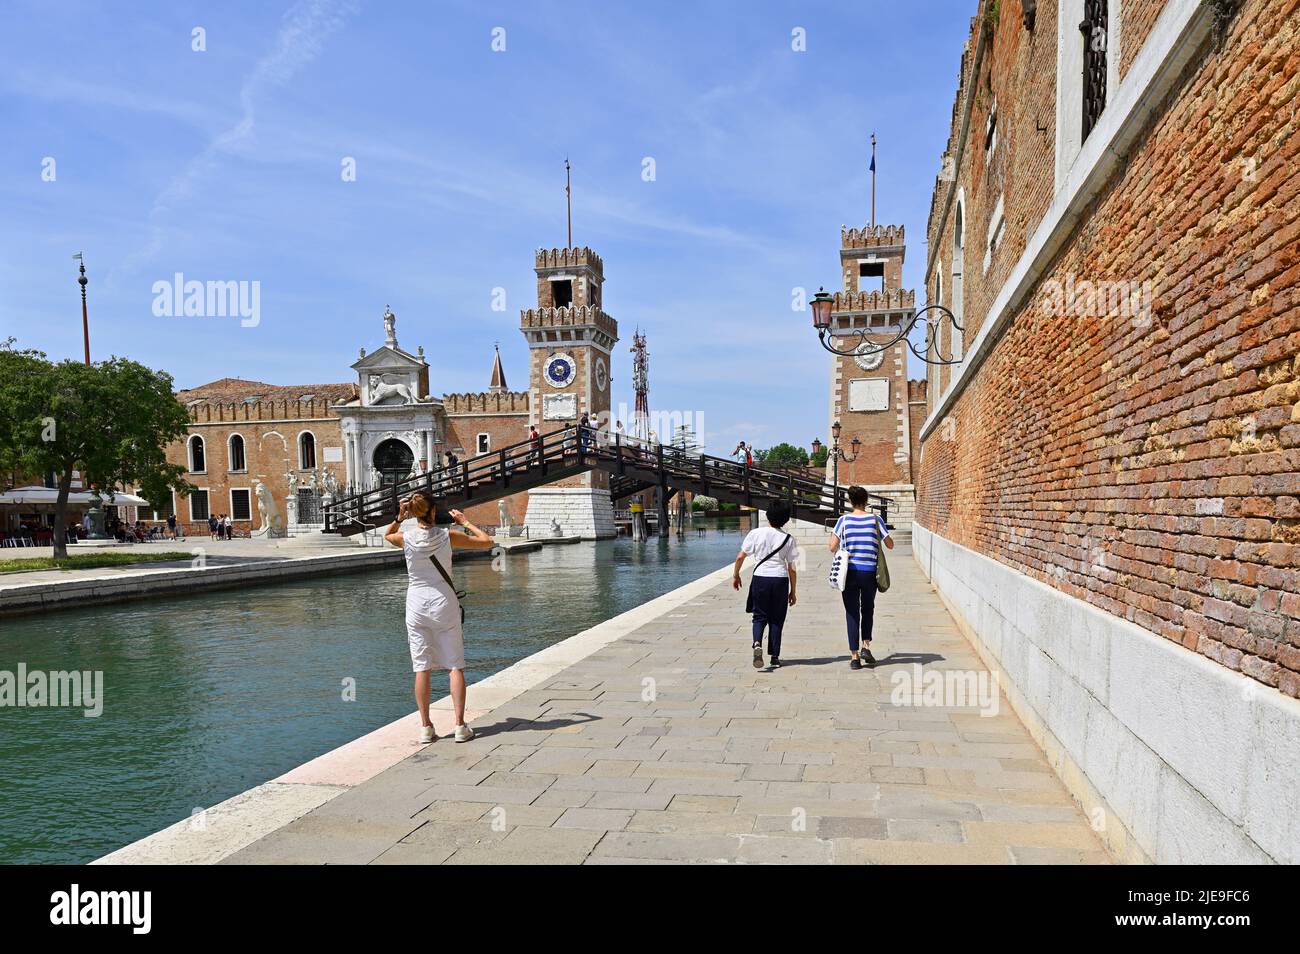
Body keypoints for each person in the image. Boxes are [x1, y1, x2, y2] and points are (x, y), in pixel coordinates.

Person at [384, 491, 494, 744]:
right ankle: (459, 726)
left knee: (421, 667)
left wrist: (399, 518)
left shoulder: (405, 539)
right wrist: (464, 522)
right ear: (433, 511)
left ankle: (425, 727)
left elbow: (387, 535)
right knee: (455, 664)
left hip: (416, 605)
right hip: (444, 602)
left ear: (413, 513)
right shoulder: (449, 536)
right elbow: (486, 541)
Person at [829, 486, 894, 669]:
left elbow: (832, 546)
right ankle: (866, 645)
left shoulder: (843, 520)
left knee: (851, 612)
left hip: (849, 573)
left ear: (850, 500)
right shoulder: (875, 519)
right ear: (866, 500)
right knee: (868, 609)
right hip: (869, 573)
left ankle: (855, 657)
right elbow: (890, 545)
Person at [732, 500, 800, 670]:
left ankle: (756, 643)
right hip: (780, 579)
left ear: (768, 515)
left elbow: (740, 557)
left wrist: (736, 575)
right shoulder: (788, 539)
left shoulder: (755, 533)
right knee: (777, 619)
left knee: (759, 615)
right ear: (785, 519)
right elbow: (792, 568)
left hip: (760, 578)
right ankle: (775, 657)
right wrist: (793, 591)